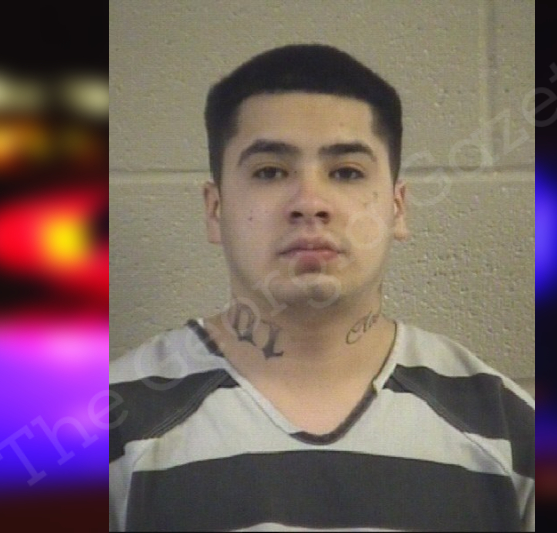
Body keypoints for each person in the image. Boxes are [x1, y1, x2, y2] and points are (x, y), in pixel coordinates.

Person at [109, 44, 534, 532]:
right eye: (270, 171)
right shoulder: (111, 429)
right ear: (215, 209)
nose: (310, 202)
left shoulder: (508, 432)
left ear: (397, 208)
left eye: (346, 172)